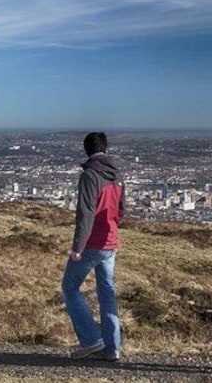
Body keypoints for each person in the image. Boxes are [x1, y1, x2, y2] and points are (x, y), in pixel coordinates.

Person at [62, 132, 124, 361]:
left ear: (87, 150)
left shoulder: (90, 175)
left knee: (69, 287)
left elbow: (86, 214)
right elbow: (121, 210)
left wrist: (78, 246)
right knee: (107, 293)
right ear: (105, 149)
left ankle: (91, 340)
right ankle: (112, 347)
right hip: (111, 242)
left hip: (93, 243)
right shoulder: (117, 175)